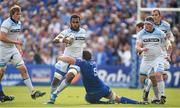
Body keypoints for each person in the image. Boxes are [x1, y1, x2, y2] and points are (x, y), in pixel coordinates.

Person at [47, 50, 145, 104]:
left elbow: (70, 60)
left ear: (83, 58)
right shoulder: (93, 62)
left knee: (87, 99)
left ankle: (105, 103)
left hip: (93, 93)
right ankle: (137, 102)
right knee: (118, 98)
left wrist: (60, 57)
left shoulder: (83, 63)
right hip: (104, 88)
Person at [0, 5, 46, 102]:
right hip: (2, 50)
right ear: (12, 14)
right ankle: (1, 95)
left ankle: (33, 92)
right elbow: (2, 37)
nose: (19, 15)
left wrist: (19, 48)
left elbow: (16, 37)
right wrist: (16, 43)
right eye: (17, 14)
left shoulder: (19, 23)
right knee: (1, 74)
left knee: (23, 69)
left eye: (20, 13)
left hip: (12, 49)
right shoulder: (6, 23)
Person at [47, 15, 87, 103]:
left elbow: (77, 42)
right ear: (70, 23)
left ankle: (55, 94)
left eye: (77, 22)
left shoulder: (83, 31)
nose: (75, 24)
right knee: (55, 81)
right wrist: (64, 40)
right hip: (65, 59)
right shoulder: (66, 31)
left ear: (79, 22)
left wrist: (71, 40)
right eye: (73, 22)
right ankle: (51, 99)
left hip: (76, 60)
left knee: (70, 76)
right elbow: (55, 40)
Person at [136, 16, 167, 104]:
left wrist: (167, 54)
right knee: (143, 79)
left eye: (148, 24)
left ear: (152, 24)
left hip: (158, 58)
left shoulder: (160, 33)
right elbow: (138, 45)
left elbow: (167, 42)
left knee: (157, 75)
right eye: (145, 24)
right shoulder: (141, 33)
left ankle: (162, 96)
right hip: (146, 59)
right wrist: (141, 49)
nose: (146, 25)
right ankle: (148, 91)